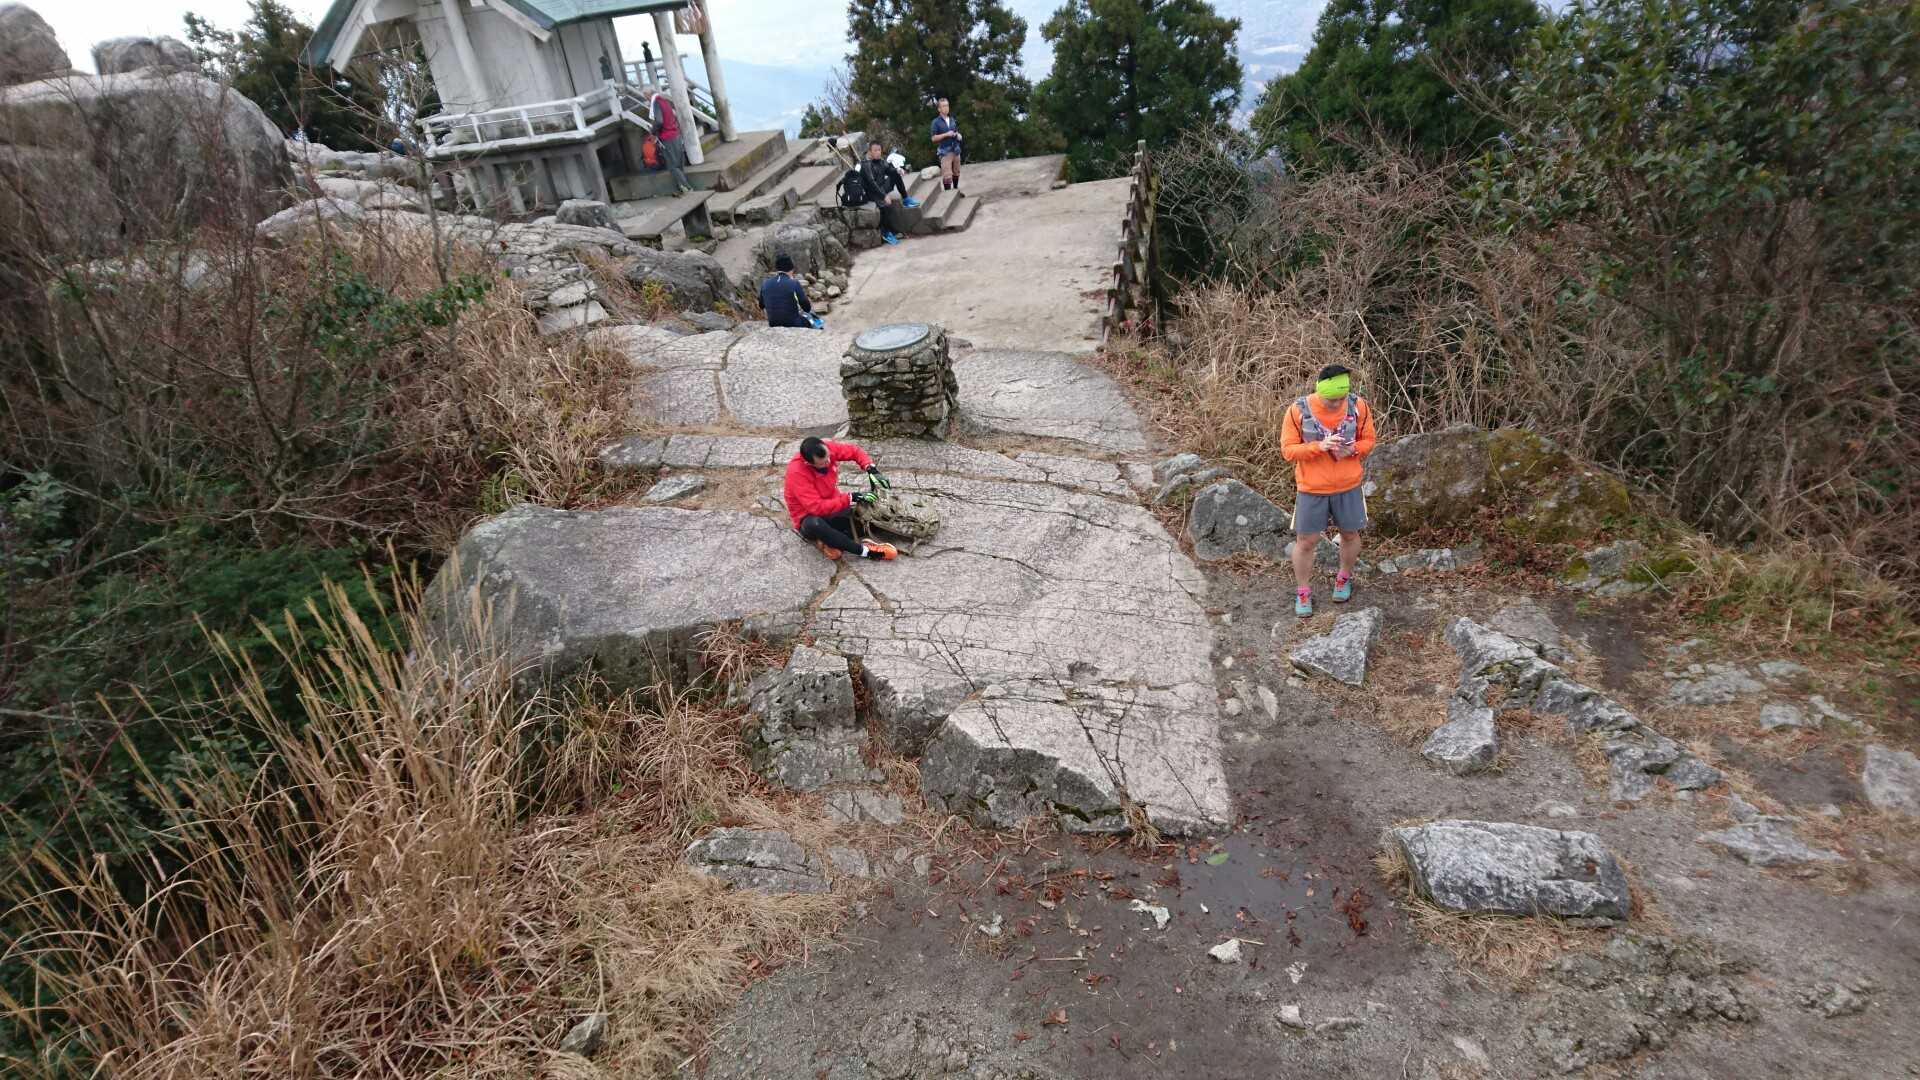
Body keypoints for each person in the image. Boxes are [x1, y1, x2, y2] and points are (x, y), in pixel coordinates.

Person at [1280, 364, 1377, 616]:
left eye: (1340, 399)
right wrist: (1318, 447)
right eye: (1330, 400)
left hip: (1349, 485)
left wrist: (1353, 449)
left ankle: (1344, 577)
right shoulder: (1298, 410)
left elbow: (1369, 440)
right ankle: (1303, 592)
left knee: (1350, 534)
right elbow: (1288, 450)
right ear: (1319, 392)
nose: (1335, 404)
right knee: (1306, 541)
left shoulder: (1358, 406)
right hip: (1311, 487)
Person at [784, 437, 898, 561]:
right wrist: (850, 498)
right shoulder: (797, 473)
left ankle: (831, 541)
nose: (828, 462)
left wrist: (870, 468)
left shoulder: (827, 448)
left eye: (828, 457)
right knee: (815, 525)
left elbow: (854, 451)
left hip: (834, 507)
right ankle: (867, 551)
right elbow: (816, 508)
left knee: (872, 521)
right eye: (822, 463)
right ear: (808, 463)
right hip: (809, 517)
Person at [859, 140, 914, 245]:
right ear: (870, 152)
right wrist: (884, 196)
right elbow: (872, 183)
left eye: (879, 150)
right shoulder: (866, 164)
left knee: (895, 174)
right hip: (871, 192)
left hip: (881, 187)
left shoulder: (881, 161)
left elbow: (889, 170)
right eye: (875, 150)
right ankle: (886, 232)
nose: (878, 152)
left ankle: (906, 198)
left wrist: (899, 170)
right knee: (885, 206)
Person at [645, 86, 693, 194]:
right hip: (675, 134)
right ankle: (682, 187)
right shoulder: (664, 101)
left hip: (667, 137)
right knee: (679, 164)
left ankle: (688, 188)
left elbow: (659, 121)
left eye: (645, 95)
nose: (645, 98)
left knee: (672, 166)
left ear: (648, 94)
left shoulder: (656, 103)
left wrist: (653, 131)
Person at [758, 254, 821, 329]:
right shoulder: (794, 283)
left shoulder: (765, 283)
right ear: (791, 269)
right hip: (793, 323)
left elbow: (761, 305)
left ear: (777, 269)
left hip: (773, 323)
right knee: (814, 318)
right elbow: (806, 307)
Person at [930, 97, 962, 192]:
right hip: (945, 151)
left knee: (957, 171)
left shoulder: (952, 119)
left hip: (956, 149)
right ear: (939, 109)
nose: (946, 108)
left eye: (947, 105)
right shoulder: (935, 122)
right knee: (947, 175)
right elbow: (933, 138)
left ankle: (956, 190)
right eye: (943, 106)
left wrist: (958, 135)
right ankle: (948, 195)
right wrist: (946, 134)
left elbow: (955, 131)